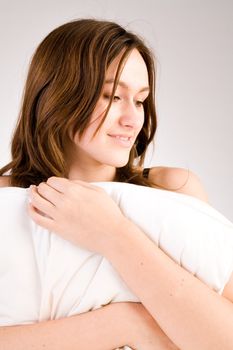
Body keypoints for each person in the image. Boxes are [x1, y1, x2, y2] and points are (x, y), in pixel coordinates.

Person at [0, 18, 233, 350]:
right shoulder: (6, 200)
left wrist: (112, 233)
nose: (132, 118)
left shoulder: (173, 190)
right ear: (57, 95)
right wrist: (123, 324)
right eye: (111, 96)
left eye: (139, 100)